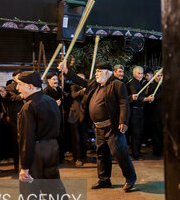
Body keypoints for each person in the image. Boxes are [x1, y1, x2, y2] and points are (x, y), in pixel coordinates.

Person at [16, 71, 77, 200]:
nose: (18, 88)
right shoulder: (51, 102)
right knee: (55, 191)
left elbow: (27, 138)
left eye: (20, 85)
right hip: (51, 148)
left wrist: (25, 167)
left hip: (35, 152)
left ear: (29, 86)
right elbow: (60, 128)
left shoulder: (28, 107)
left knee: (31, 197)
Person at [58, 61, 137, 192]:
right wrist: (66, 71)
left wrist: (123, 121)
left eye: (99, 72)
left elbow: (124, 103)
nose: (96, 74)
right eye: (96, 72)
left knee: (119, 153)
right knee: (101, 154)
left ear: (107, 72)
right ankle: (104, 180)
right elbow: (80, 81)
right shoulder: (96, 84)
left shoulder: (117, 85)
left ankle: (130, 178)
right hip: (98, 127)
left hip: (113, 127)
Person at [127, 66, 152, 160]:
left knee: (139, 132)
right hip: (135, 111)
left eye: (142, 73)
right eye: (139, 73)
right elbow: (136, 98)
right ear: (134, 74)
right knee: (135, 133)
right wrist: (147, 99)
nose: (141, 75)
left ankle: (137, 151)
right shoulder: (133, 83)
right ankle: (135, 154)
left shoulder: (139, 83)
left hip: (140, 111)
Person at [2, 68, 24, 171]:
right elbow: (12, 98)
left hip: (27, 117)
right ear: (14, 77)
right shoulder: (9, 87)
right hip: (15, 118)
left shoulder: (27, 85)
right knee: (16, 142)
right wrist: (24, 95)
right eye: (18, 75)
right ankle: (17, 163)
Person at [44, 72, 66, 162]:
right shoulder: (46, 91)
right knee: (53, 138)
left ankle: (61, 158)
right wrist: (54, 104)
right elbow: (44, 106)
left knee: (60, 137)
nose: (56, 81)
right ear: (48, 81)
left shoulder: (59, 90)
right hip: (51, 118)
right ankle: (53, 159)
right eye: (53, 79)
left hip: (59, 117)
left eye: (56, 79)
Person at [146, 70, 163, 157]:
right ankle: (157, 151)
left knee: (161, 133)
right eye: (157, 76)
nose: (159, 77)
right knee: (156, 133)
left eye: (160, 75)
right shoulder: (152, 86)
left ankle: (161, 150)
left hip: (162, 114)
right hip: (155, 114)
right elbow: (153, 98)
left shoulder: (163, 86)